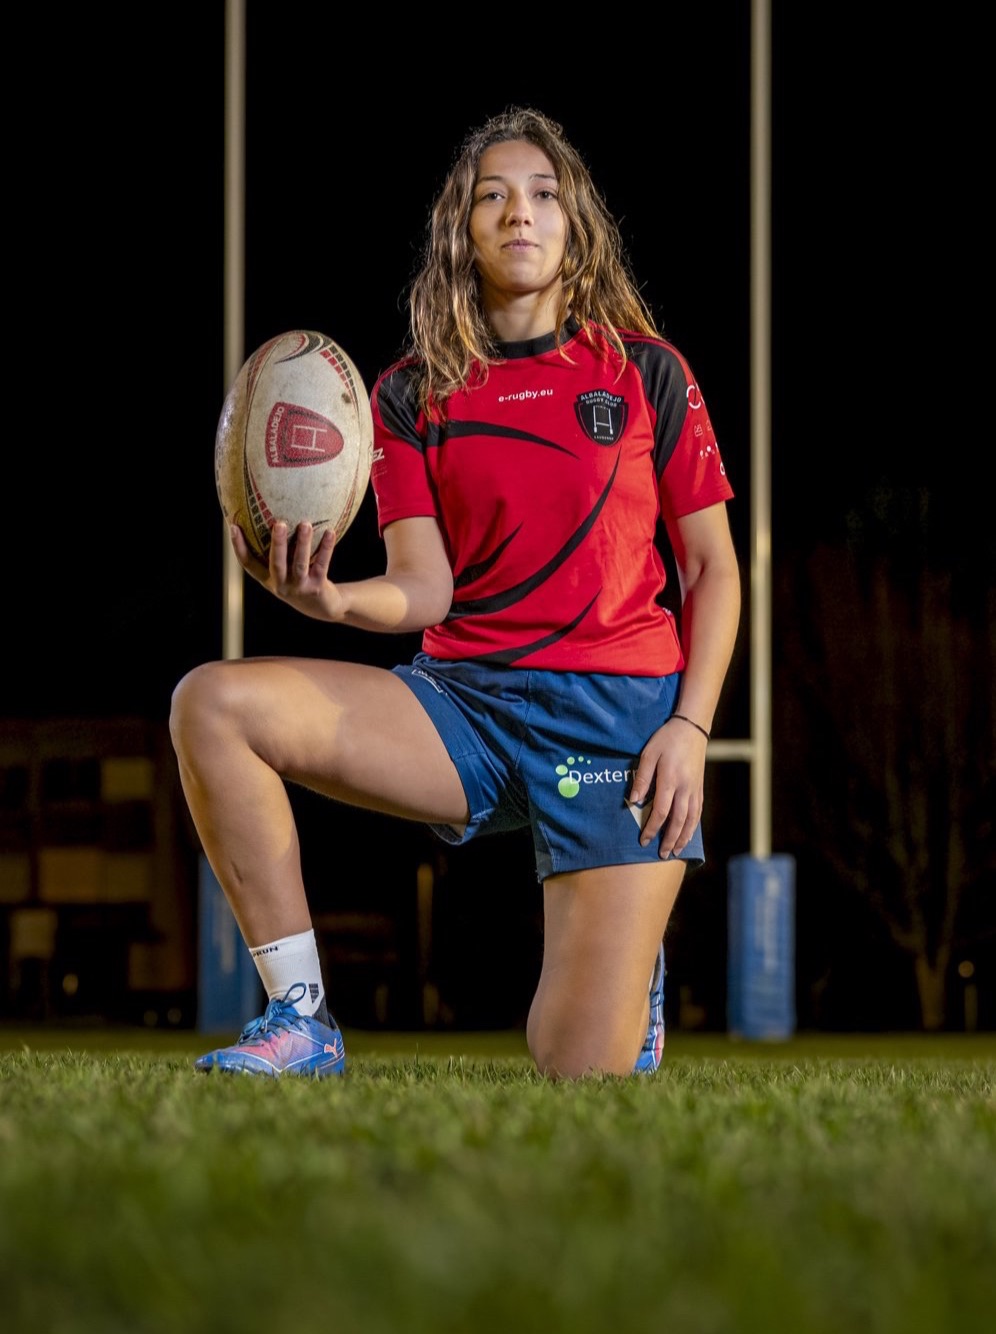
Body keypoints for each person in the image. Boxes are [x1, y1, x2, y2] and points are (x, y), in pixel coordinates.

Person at [170, 105, 741, 1081]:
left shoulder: (645, 369)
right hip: (466, 704)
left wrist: (689, 726)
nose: (522, 213)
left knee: (573, 1067)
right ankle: (301, 1016)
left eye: (545, 195)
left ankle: (629, 965)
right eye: (494, 196)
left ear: (576, 226)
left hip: (616, 720)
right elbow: (425, 588)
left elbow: (713, 570)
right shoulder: (408, 392)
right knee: (213, 704)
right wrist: (336, 604)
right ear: (462, 231)